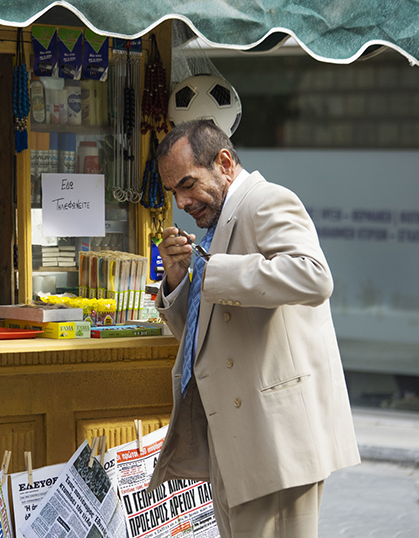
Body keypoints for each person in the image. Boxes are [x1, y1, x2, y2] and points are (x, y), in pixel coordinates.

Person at [150, 119, 360, 538]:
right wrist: (177, 279)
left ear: (225, 163)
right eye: (173, 191)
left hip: (276, 443)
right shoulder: (219, 221)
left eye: (188, 184)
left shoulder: (266, 200)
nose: (182, 202)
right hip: (239, 441)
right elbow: (204, 334)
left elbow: (314, 276)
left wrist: (215, 272)